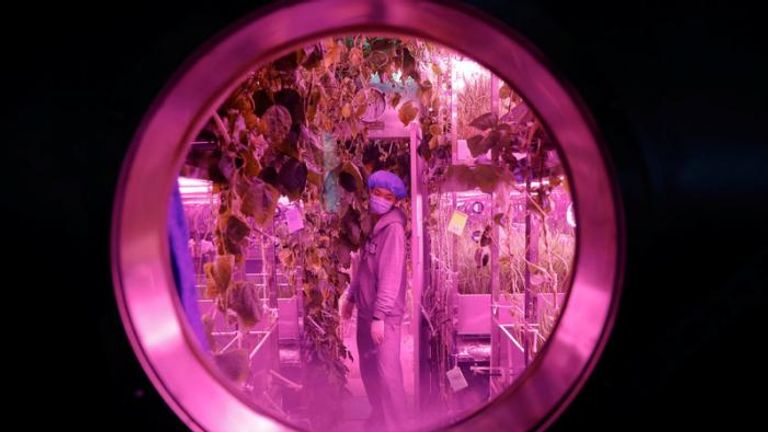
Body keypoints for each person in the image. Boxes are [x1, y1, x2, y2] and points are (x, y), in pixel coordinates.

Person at [341, 170, 408, 430]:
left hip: (384, 317)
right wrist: (350, 298)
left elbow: (390, 276)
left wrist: (380, 316)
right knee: (370, 370)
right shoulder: (374, 225)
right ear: (370, 193)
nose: (379, 199)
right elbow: (363, 267)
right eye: (376, 194)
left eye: (387, 197)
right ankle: (380, 416)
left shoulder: (393, 230)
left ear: (395, 202)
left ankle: (397, 425)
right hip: (367, 312)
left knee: (388, 374)